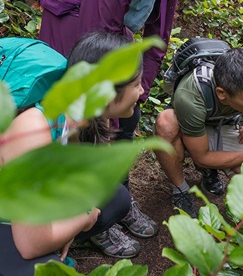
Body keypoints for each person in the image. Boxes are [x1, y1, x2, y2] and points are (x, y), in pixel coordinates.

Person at [37, 0, 238, 232]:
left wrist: (139, 86)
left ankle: (117, 202)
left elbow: (160, 29)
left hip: (112, 28)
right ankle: (89, 223)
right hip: (75, 26)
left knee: (127, 118)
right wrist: (110, 98)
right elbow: (96, 31)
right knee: (86, 126)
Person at [0, 32, 147, 275]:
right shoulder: (35, 128)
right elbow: (30, 245)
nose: (142, 91)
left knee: (115, 198)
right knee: (40, 268)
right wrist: (82, 219)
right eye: (136, 84)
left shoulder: (82, 113)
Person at [154, 47, 243, 218]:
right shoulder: (190, 96)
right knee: (165, 122)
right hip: (188, 127)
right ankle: (181, 189)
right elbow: (202, 157)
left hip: (223, 125)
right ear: (222, 93)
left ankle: (227, 198)